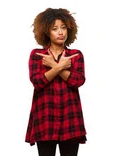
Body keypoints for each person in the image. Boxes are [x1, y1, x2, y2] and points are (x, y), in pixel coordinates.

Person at [25, 8, 87, 156]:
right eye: (55, 28)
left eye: (63, 28)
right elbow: (37, 82)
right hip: (45, 118)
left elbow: (78, 80)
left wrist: (53, 65)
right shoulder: (37, 55)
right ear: (47, 31)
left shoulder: (75, 55)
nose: (60, 32)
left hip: (70, 119)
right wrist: (59, 66)